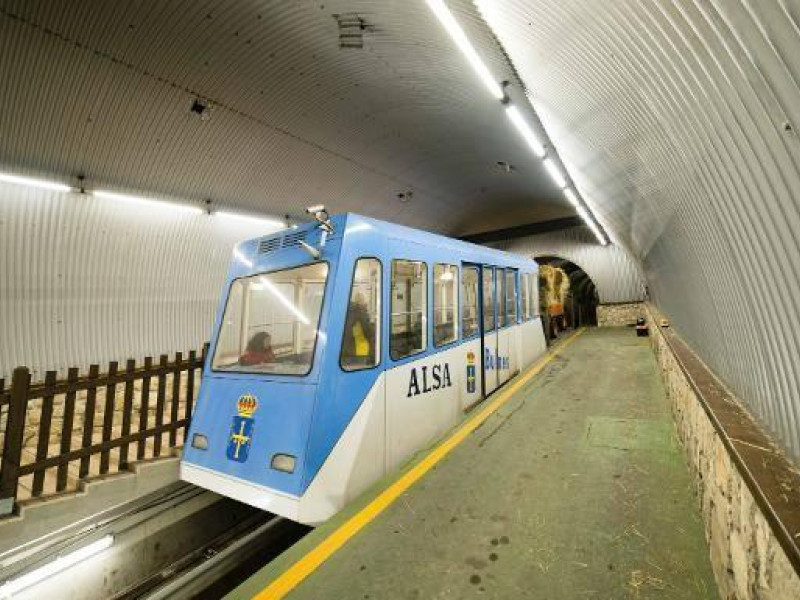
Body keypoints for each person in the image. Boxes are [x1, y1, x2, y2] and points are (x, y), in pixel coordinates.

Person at [342, 292, 374, 366]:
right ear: (363, 301)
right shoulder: (361, 312)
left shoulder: (346, 311)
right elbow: (369, 333)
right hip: (360, 350)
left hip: (345, 349)